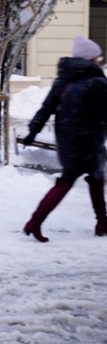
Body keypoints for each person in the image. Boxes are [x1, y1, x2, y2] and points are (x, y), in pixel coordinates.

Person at [22, 35, 107, 242]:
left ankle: (102, 223)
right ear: (91, 59)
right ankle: (34, 222)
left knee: (94, 179)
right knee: (71, 181)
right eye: (98, 57)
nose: (99, 61)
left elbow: (46, 108)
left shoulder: (63, 80)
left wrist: (32, 132)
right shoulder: (96, 82)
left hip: (68, 141)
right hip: (89, 142)